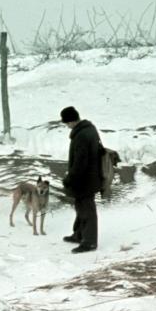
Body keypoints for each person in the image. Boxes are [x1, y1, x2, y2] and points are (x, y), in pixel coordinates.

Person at [60, 106, 101, 253]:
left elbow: (80, 162)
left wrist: (70, 179)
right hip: (90, 177)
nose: (67, 126)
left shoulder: (81, 135)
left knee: (87, 209)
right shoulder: (89, 129)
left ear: (71, 120)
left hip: (85, 180)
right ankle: (79, 235)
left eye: (67, 123)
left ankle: (89, 242)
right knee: (80, 206)